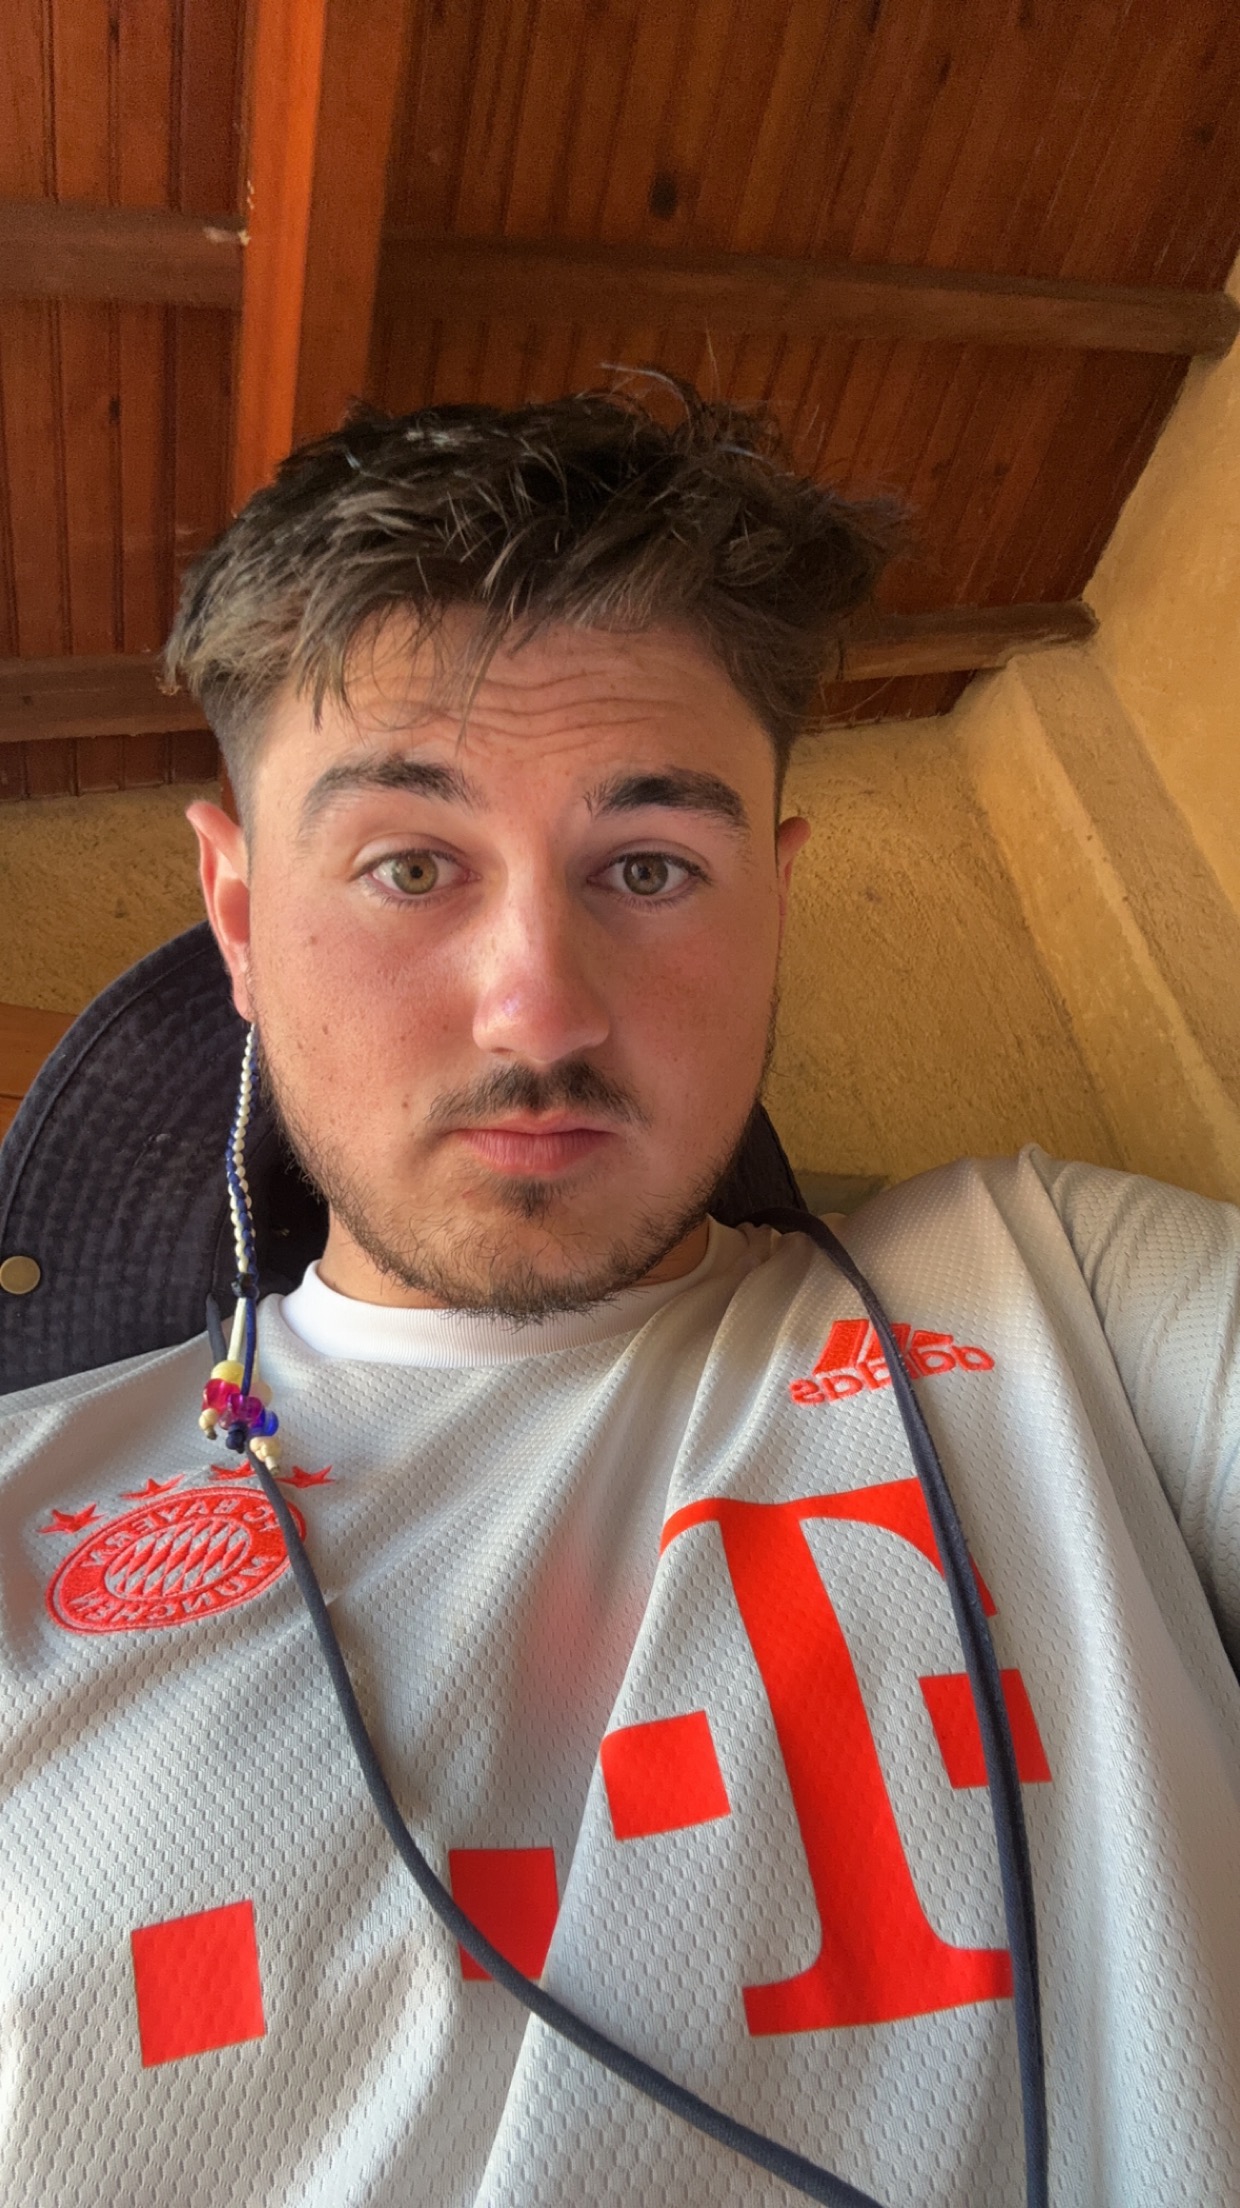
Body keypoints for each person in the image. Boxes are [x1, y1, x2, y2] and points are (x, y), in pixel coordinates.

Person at [0, 385, 1237, 2208]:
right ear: (240, 916)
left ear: (774, 903)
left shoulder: (1066, 1297)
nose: (541, 1006)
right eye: (410, 865)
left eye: (649, 867)